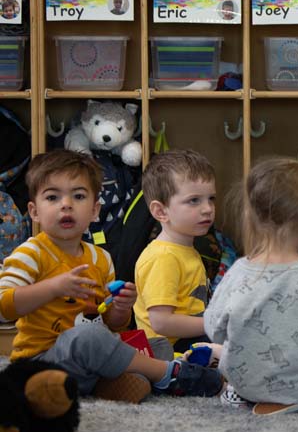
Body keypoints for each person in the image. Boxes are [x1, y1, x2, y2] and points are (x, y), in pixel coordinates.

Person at [0, 150, 223, 403]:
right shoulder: (31, 252)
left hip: (86, 363)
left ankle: (103, 383)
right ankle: (168, 373)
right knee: (88, 339)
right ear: (34, 211)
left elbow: (110, 324)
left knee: (128, 365)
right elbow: (4, 307)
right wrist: (53, 288)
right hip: (39, 363)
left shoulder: (101, 258)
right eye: (52, 197)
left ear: (95, 210)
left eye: (79, 196)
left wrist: (120, 308)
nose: (66, 204)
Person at [204, 157, 298, 414]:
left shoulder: (238, 271)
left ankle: (245, 398)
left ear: (250, 215)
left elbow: (214, 329)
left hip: (244, 387)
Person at [134, 150, 216, 358]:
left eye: (211, 199)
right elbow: (161, 322)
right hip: (168, 352)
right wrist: (213, 324)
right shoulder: (163, 257)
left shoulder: (185, 250)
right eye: (194, 200)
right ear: (161, 211)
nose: (207, 208)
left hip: (190, 341)